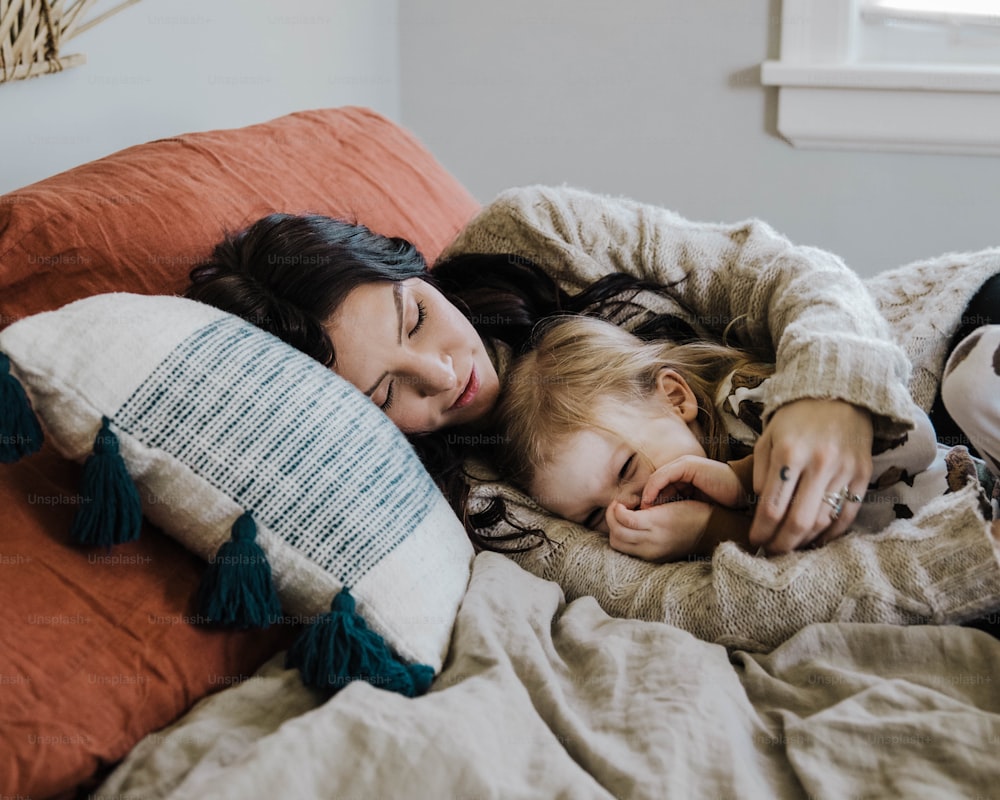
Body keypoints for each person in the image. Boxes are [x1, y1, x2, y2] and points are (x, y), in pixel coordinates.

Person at [184, 186, 1000, 556]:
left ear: (415, 271)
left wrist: (831, 389)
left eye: (417, 318)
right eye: (388, 392)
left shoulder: (529, 232)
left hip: (934, 330)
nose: (443, 372)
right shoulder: (478, 495)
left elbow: (772, 269)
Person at [494, 314, 991, 563]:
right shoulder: (669, 556)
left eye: (626, 469)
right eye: (594, 516)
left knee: (972, 378)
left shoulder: (749, 406)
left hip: (973, 487)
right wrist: (708, 531)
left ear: (675, 397)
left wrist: (739, 479)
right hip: (965, 555)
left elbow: (911, 440)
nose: (629, 507)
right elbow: (802, 565)